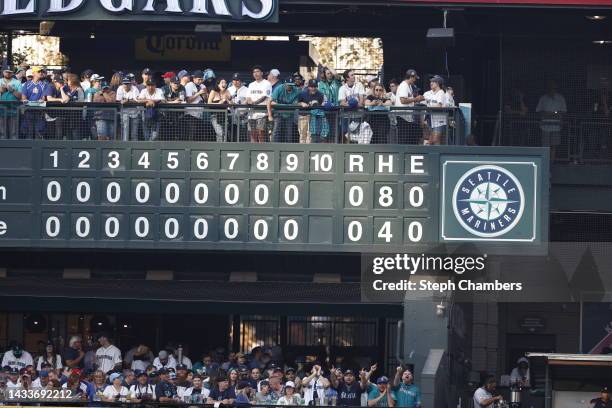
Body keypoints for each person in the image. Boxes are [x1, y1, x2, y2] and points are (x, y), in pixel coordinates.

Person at [536, 80, 567, 161]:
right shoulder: (543, 98)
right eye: (550, 88)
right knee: (545, 147)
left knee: (554, 146)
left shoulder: (561, 98)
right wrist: (552, 113)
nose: (552, 90)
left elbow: (563, 111)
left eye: (554, 88)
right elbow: (539, 111)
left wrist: (552, 113)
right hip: (545, 127)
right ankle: (545, 162)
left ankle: (552, 162)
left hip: (556, 127)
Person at [395, 69, 424, 144]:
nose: (415, 80)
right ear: (411, 77)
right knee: (403, 139)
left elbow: (409, 100)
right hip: (402, 116)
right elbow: (403, 100)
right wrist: (416, 99)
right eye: (414, 78)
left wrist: (416, 99)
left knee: (408, 139)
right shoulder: (404, 85)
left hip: (407, 117)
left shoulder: (409, 86)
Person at [270, 77, 300, 143]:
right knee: (276, 130)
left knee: (289, 132)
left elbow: (295, 104)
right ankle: (273, 146)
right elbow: (270, 101)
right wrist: (270, 115)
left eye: (291, 85)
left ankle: (288, 148)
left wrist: (279, 104)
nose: (289, 86)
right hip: (278, 113)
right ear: (285, 84)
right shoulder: (279, 88)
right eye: (288, 85)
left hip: (289, 114)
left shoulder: (296, 90)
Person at [247, 65, 272, 143]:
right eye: (254, 72)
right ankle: (252, 150)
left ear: (262, 73)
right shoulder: (251, 84)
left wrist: (254, 103)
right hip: (251, 113)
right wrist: (249, 101)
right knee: (252, 133)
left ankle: (261, 149)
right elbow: (248, 97)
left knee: (261, 133)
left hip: (262, 112)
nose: (255, 73)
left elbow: (265, 96)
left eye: (257, 71)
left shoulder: (267, 83)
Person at [423, 75, 449, 145]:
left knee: (436, 140)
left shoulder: (441, 92)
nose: (431, 83)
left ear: (437, 83)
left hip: (439, 121)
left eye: (433, 82)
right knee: (433, 140)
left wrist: (429, 107)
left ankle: (438, 155)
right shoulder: (433, 94)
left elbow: (439, 105)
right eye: (431, 82)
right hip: (433, 121)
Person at [116, 77, 141, 141]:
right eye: (125, 84)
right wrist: (129, 100)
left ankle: (135, 148)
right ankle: (124, 148)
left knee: (134, 133)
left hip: (134, 112)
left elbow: (137, 101)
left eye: (128, 83)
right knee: (125, 132)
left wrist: (127, 100)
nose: (126, 85)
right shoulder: (120, 88)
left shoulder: (134, 88)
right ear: (122, 84)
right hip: (124, 112)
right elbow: (119, 100)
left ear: (131, 84)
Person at [0, 68, 22, 139]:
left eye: (10, 72)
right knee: (2, 133)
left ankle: (14, 148)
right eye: (6, 72)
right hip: (1, 111)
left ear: (12, 73)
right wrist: (1, 91)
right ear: (3, 72)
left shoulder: (17, 82)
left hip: (14, 110)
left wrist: (12, 90)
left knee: (13, 133)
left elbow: (20, 96)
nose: (8, 74)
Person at [208, 77, 232, 142]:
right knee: (220, 132)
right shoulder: (213, 92)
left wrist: (227, 99)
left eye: (225, 83)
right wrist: (218, 103)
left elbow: (232, 104)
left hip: (224, 115)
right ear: (218, 84)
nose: (224, 84)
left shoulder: (227, 91)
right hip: (215, 116)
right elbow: (208, 103)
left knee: (225, 134)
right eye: (222, 82)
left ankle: (223, 148)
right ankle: (219, 148)